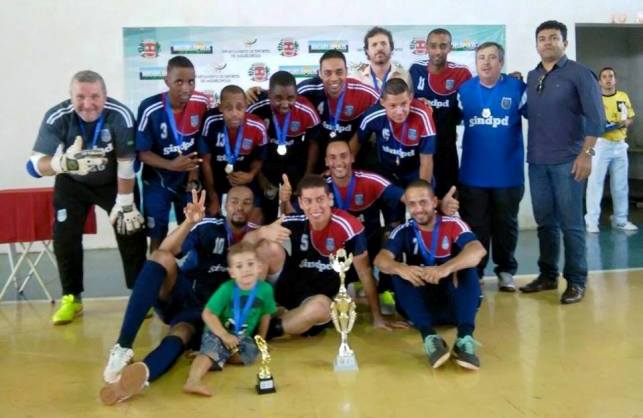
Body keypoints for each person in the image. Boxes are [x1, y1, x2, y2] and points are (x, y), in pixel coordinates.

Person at [99, 187, 287, 405]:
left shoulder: (258, 237)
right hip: (187, 299)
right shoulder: (209, 226)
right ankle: (122, 347)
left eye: (246, 202)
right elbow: (166, 249)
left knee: (181, 334)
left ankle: (142, 374)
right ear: (225, 205)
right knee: (161, 257)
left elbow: (263, 255)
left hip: (218, 319)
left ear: (252, 208)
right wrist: (188, 223)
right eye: (235, 201)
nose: (240, 207)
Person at [27, 70, 147, 325]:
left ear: (105, 95)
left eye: (95, 96)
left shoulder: (120, 115)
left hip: (113, 182)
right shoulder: (57, 116)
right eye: (80, 97)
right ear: (70, 96)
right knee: (65, 236)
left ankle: (139, 294)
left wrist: (125, 201)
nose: (88, 103)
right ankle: (72, 298)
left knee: (130, 231)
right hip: (72, 183)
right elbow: (34, 165)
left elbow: (127, 164)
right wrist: (62, 163)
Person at [246, 175, 407, 338]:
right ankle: (245, 318)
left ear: (330, 199)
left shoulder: (349, 227)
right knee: (267, 248)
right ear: (301, 203)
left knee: (322, 307)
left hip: (317, 299)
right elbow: (246, 243)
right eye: (308, 201)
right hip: (291, 285)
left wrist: (377, 317)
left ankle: (261, 333)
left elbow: (365, 272)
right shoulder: (297, 219)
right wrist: (261, 232)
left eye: (320, 199)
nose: (315, 207)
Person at [519, 20, 605, 304]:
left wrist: (586, 155)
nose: (547, 42)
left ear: (564, 43)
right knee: (545, 222)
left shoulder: (580, 74)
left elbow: (597, 119)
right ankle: (547, 276)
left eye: (553, 38)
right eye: (542, 38)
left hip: (569, 161)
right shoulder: (533, 76)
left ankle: (577, 281)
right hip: (537, 161)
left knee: (571, 224)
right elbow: (530, 111)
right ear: (536, 44)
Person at [374, 179, 486, 370]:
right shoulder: (403, 231)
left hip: (455, 306)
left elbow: (477, 250)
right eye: (412, 204)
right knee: (398, 272)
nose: (418, 209)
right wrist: (400, 268)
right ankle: (430, 338)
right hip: (421, 308)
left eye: (423, 202)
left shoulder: (453, 224)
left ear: (434, 202)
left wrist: (445, 268)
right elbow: (380, 260)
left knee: (467, 268)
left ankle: (464, 339)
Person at [457, 42, 526, 291]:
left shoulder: (517, 88)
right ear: (476, 63)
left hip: (508, 175)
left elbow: (541, 116)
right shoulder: (464, 91)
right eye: (481, 58)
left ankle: (506, 271)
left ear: (501, 62)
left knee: (506, 226)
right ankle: (475, 272)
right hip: (473, 175)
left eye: (492, 57)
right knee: (476, 227)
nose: (486, 62)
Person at [183, 241, 276, 397]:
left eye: (250, 264)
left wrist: (262, 341)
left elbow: (266, 315)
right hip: (218, 332)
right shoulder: (226, 289)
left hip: (241, 337)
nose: (246, 269)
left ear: (259, 267)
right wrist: (224, 335)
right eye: (239, 266)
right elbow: (207, 314)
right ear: (232, 272)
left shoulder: (265, 290)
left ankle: (214, 356)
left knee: (251, 355)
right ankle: (193, 381)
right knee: (212, 350)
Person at [136, 56, 209, 252]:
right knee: (157, 237)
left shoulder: (201, 102)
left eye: (191, 81)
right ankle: (157, 271)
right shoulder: (149, 108)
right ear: (167, 80)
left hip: (187, 181)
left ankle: (186, 271)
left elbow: (200, 144)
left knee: (192, 234)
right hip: (158, 182)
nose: (186, 88)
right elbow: (141, 153)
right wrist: (170, 165)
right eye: (179, 82)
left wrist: (194, 175)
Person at [247, 70, 321, 222]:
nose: (285, 103)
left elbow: (314, 143)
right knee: (267, 214)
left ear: (297, 95)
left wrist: (307, 176)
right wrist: (260, 178)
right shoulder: (256, 108)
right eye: (278, 98)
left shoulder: (306, 109)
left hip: (295, 164)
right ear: (269, 94)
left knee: (295, 214)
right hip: (266, 164)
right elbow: (250, 148)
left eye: (291, 98)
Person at [409, 28, 472, 198]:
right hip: (420, 150)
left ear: (450, 47)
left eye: (443, 46)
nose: (438, 51)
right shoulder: (415, 70)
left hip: (447, 150)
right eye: (433, 46)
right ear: (426, 47)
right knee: (421, 199)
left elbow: (469, 107)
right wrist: (417, 103)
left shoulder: (462, 73)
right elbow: (405, 104)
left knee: (448, 200)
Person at [297, 50, 379, 171]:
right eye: (328, 73)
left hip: (353, 155)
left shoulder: (364, 93)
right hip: (320, 153)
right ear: (320, 74)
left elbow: (387, 105)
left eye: (339, 72)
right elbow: (282, 97)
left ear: (347, 72)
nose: (334, 78)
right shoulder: (307, 89)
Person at [199, 85, 267, 218]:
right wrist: (213, 196)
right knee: (213, 217)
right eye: (229, 108)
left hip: (244, 179)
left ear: (246, 106)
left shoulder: (257, 126)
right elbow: (205, 162)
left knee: (256, 217)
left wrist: (251, 174)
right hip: (216, 180)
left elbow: (259, 158)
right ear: (220, 107)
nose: (235, 113)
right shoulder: (210, 121)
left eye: (240, 108)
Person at [355, 78, 436, 189]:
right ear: (383, 102)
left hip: (414, 172)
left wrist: (422, 192)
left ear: (410, 98)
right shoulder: (373, 115)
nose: (399, 112)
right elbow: (357, 141)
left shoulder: (423, 115)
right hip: (386, 173)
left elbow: (426, 161)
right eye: (393, 105)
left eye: (404, 104)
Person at [585, 66, 638, 233]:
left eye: (611, 76)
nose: (608, 79)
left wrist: (625, 122)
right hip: (600, 144)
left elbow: (630, 117)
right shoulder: (595, 99)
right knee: (595, 182)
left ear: (615, 79)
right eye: (604, 77)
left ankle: (620, 220)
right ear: (599, 82)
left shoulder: (623, 96)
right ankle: (591, 221)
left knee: (621, 185)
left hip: (620, 144)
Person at [350, 26, 411, 94]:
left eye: (383, 43)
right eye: (374, 45)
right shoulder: (356, 78)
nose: (379, 48)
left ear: (391, 47)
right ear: (367, 50)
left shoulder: (405, 76)